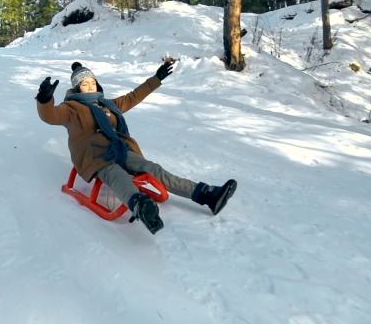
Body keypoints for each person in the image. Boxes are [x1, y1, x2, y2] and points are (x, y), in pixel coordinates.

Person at [35, 59, 237, 234]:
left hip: (120, 150)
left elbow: (133, 96)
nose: (90, 87)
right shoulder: (71, 109)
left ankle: (207, 194)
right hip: (95, 157)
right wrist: (45, 100)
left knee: (152, 169)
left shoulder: (108, 105)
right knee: (117, 175)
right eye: (84, 84)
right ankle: (139, 205)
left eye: (92, 82)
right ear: (77, 88)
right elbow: (50, 116)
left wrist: (156, 79)